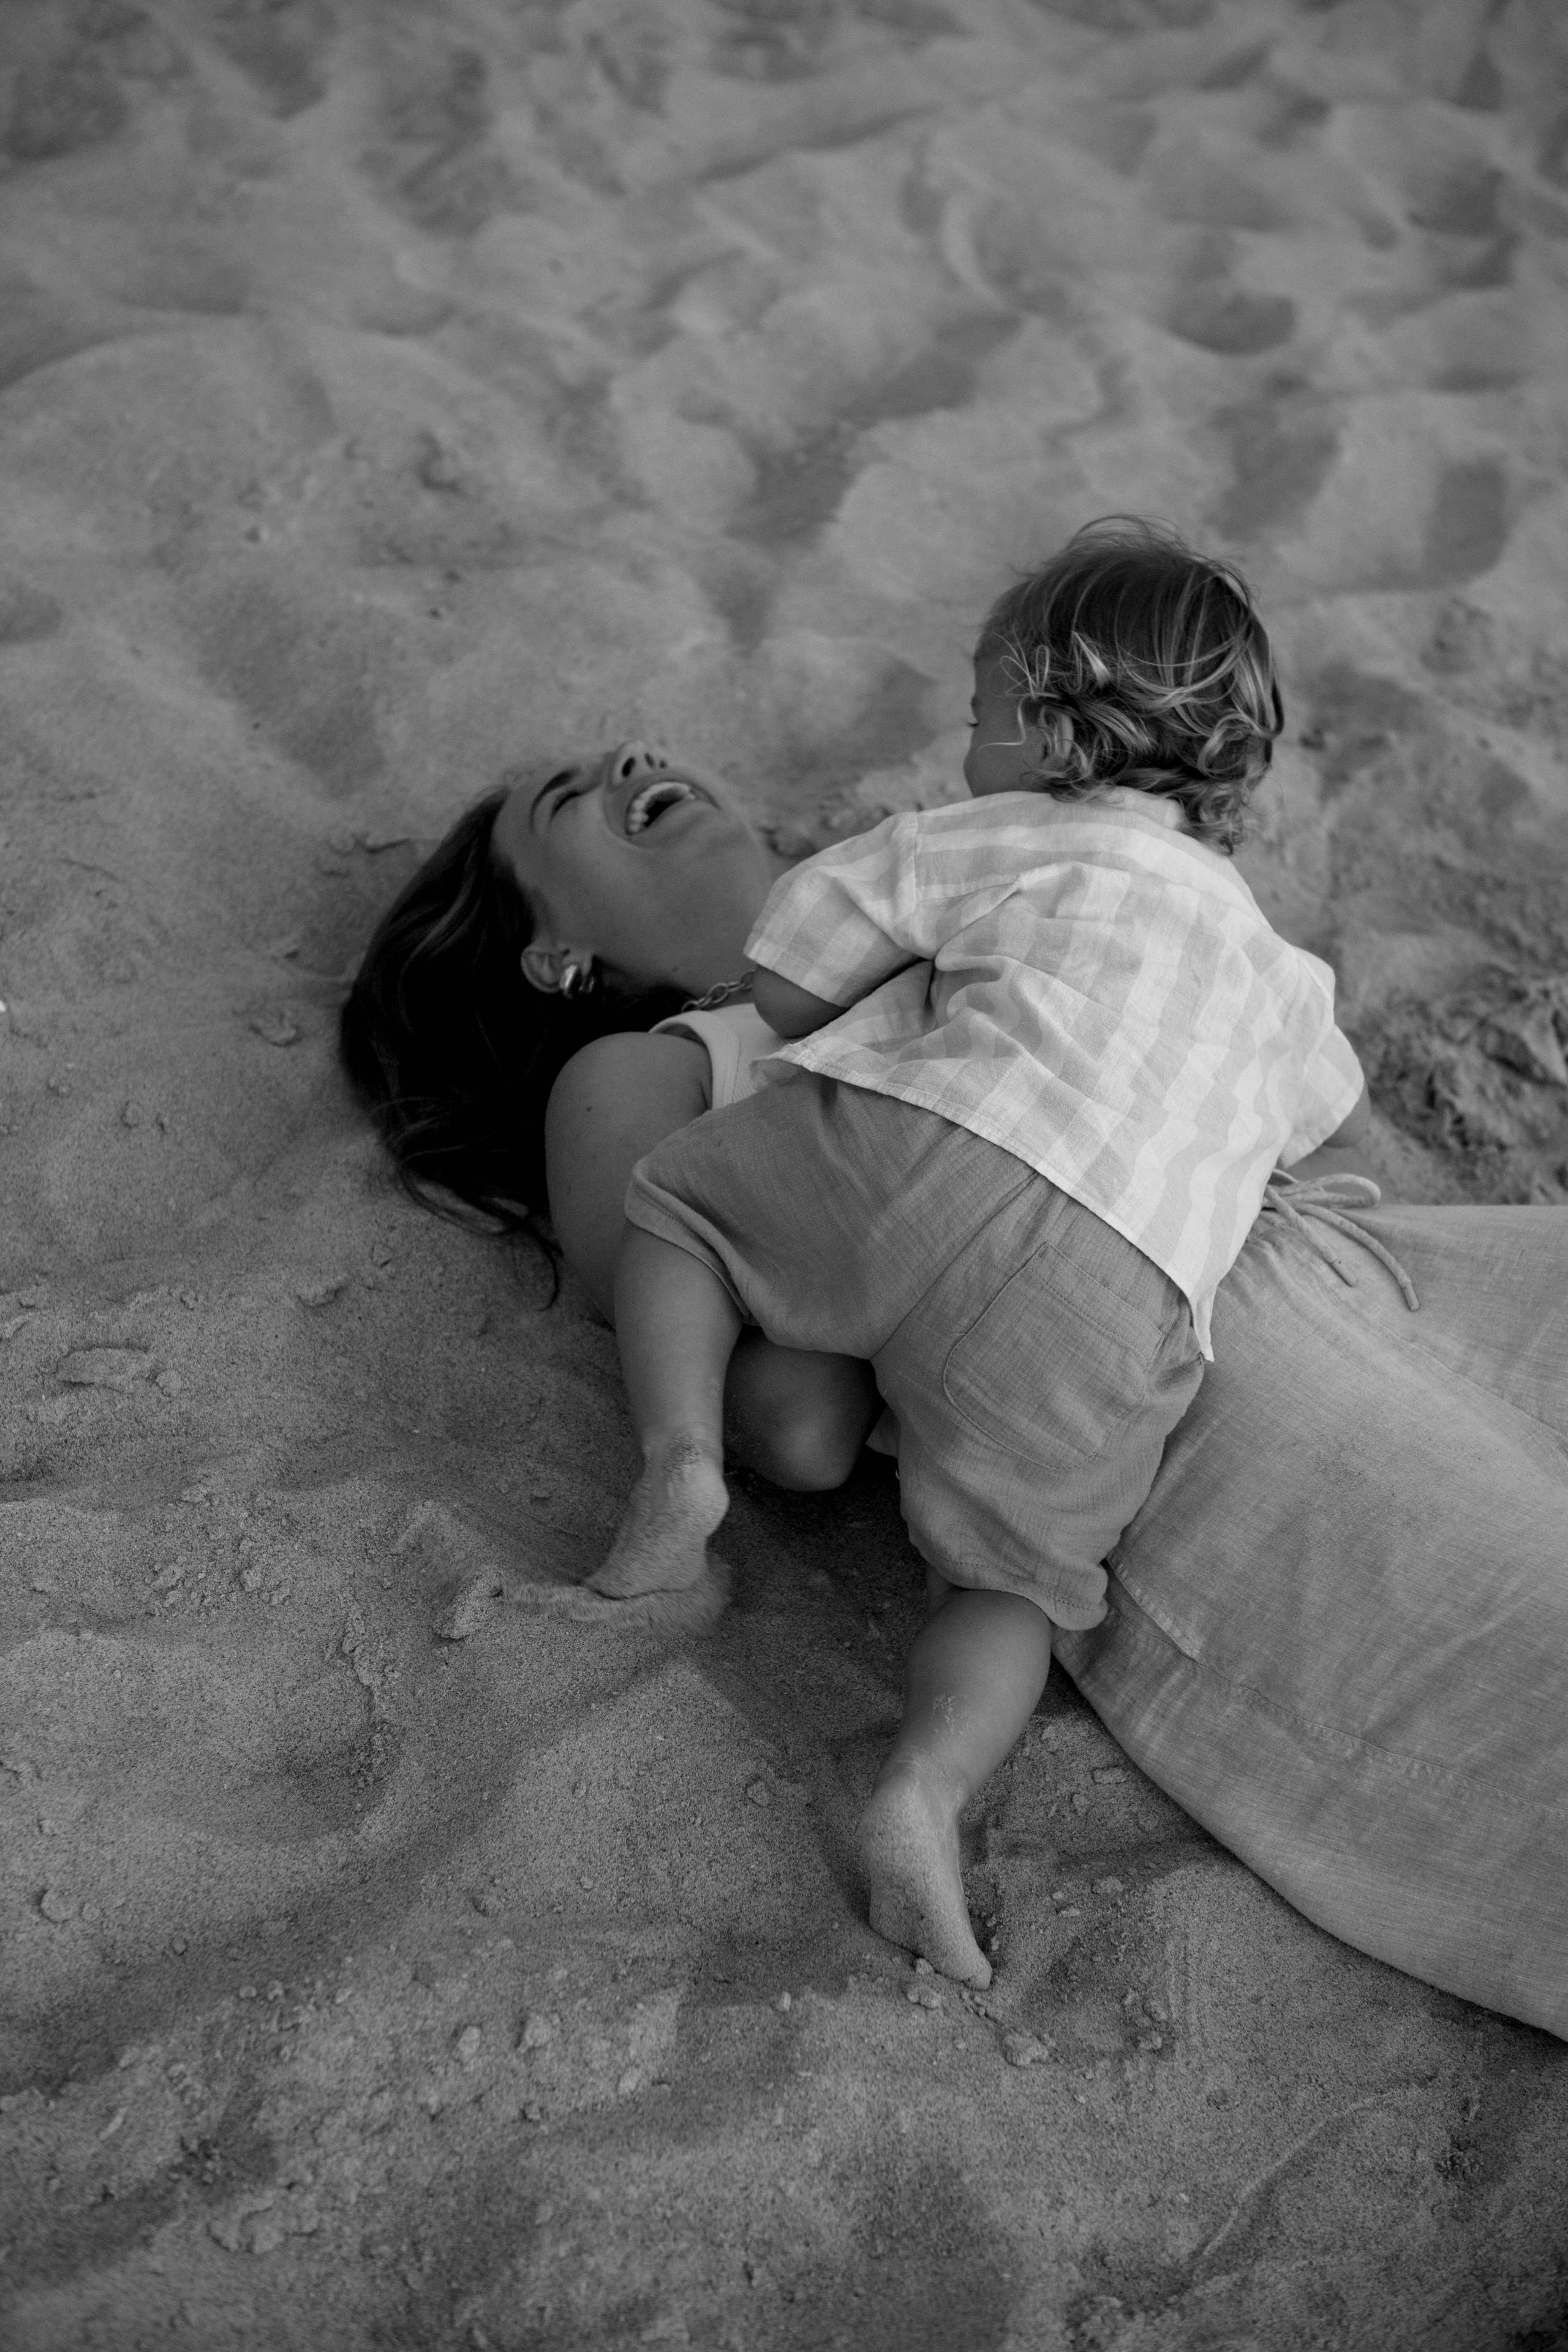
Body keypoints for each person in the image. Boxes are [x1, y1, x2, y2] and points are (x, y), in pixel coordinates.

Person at [339, 611, 1568, 2041]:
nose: (629, 756)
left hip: (1332, 1251)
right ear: (552, 956)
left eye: (626, 754)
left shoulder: (962, 874)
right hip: (1170, 1382)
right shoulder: (635, 1068)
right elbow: (755, 1368)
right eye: (568, 801)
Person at [597, 523, 1369, 1985]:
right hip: (1112, 1292)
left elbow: (778, 970)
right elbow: (1316, 1116)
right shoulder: (1279, 969)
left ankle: (678, 1457)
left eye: (974, 715)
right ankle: (925, 1790)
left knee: (678, 1212)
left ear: (1049, 727)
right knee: (1016, 1585)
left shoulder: (1006, 834)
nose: (964, 746)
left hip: (926, 1150)